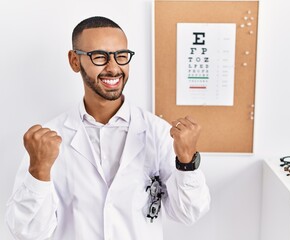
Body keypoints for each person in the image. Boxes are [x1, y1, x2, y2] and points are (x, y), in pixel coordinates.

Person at [6, 16, 210, 240]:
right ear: (75, 61)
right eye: (100, 57)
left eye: (121, 56)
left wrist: (187, 160)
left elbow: (188, 213)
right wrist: (39, 170)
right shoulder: (47, 141)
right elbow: (27, 232)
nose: (113, 68)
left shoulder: (158, 132)